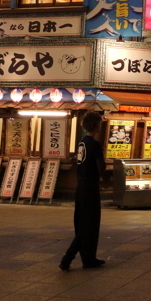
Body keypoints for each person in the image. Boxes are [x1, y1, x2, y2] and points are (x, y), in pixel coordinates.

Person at [59, 112, 107, 270]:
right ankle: (68, 258)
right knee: (89, 225)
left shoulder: (82, 143)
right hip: (91, 188)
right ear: (98, 126)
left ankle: (88, 258)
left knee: (81, 223)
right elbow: (102, 167)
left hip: (80, 187)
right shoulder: (95, 144)